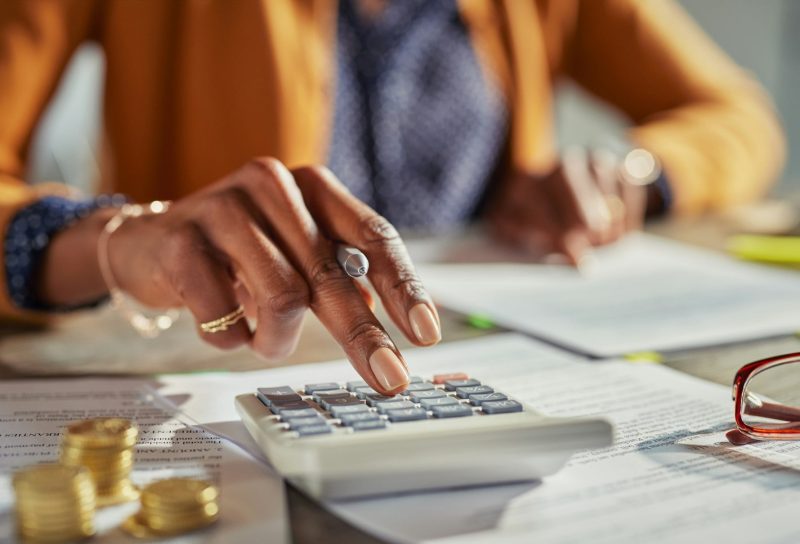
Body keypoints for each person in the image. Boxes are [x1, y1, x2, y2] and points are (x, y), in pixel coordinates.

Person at [0, 0, 785, 394]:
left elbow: (739, 116)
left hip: (507, 366)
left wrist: (635, 175)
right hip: (224, 371)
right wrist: (116, 241)